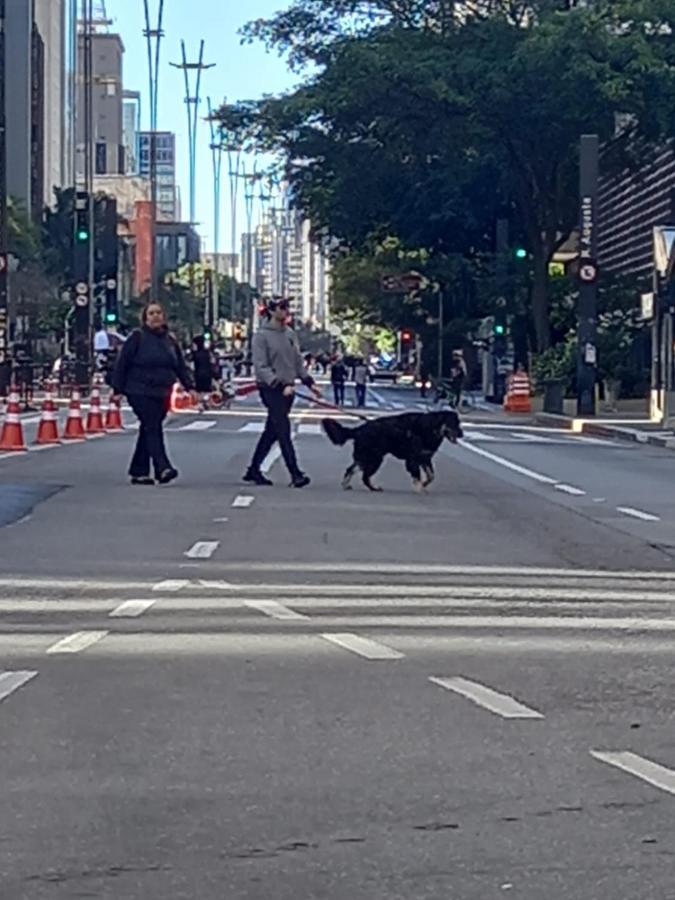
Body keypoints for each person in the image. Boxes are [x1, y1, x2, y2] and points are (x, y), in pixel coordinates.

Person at [112, 303, 197, 485]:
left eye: (158, 313)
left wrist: (190, 387)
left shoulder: (170, 340)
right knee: (153, 427)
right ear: (145, 318)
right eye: (151, 313)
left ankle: (139, 471)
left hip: (162, 391)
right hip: (138, 389)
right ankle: (163, 467)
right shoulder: (137, 337)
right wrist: (117, 390)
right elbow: (122, 364)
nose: (155, 316)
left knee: (148, 428)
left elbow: (180, 366)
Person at [244, 297, 321, 488]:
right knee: (284, 430)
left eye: (287, 307)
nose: (286, 311)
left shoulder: (290, 334)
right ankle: (295, 473)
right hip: (271, 389)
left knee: (272, 431)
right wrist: (278, 384)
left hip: (288, 389)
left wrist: (310, 383)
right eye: (282, 307)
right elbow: (261, 366)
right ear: (271, 311)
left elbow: (297, 362)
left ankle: (253, 469)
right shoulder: (261, 336)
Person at [192, 335, 216, 408]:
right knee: (207, 390)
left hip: (198, 374)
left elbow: (192, 365)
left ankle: (201, 403)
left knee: (199, 390)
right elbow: (212, 363)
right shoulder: (208, 353)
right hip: (207, 374)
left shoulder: (194, 354)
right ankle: (207, 402)